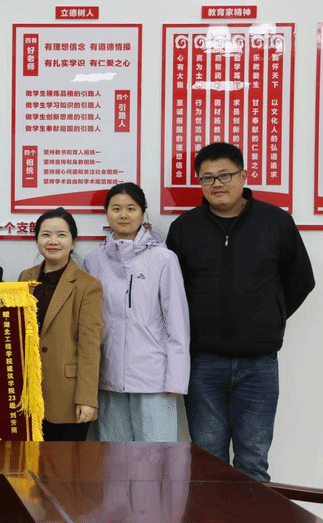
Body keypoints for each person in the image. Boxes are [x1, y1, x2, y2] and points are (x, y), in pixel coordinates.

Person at [166, 142, 314, 481]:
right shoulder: (184, 228)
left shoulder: (275, 222)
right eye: (207, 178)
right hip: (203, 364)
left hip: (258, 365)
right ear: (200, 182)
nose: (217, 184)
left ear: (243, 176)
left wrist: (269, 315)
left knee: (253, 462)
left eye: (225, 175)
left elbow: (301, 280)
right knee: (208, 462)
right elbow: (172, 295)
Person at [83, 183, 190, 442]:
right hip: (108, 376)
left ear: (143, 213)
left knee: (156, 456)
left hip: (153, 377)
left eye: (131, 209)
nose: (123, 215)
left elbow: (176, 321)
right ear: (106, 213)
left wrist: (176, 378)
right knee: (114, 457)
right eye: (116, 208)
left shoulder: (163, 259)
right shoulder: (93, 261)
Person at [18, 208, 102, 441]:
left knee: (66, 462)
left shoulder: (87, 285)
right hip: (28, 393)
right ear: (37, 240)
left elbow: (90, 346)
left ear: (73, 242)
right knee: (29, 459)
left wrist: (87, 398)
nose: (53, 241)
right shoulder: (25, 278)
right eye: (46, 234)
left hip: (67, 395)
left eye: (61, 235)